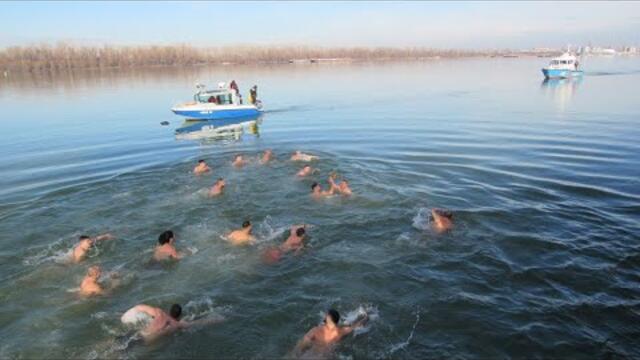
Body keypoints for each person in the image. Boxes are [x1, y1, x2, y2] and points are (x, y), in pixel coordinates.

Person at [124, 303, 223, 342]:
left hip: (137, 334)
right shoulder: (176, 324)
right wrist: (217, 319)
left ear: (169, 310)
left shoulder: (159, 312)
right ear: (179, 316)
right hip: (146, 341)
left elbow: (140, 307)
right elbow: (199, 323)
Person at [292, 309, 368, 357]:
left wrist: (295, 353)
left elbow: (303, 342)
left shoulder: (316, 330)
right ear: (337, 320)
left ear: (327, 318)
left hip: (309, 355)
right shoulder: (341, 332)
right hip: (326, 356)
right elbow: (356, 325)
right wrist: (366, 317)